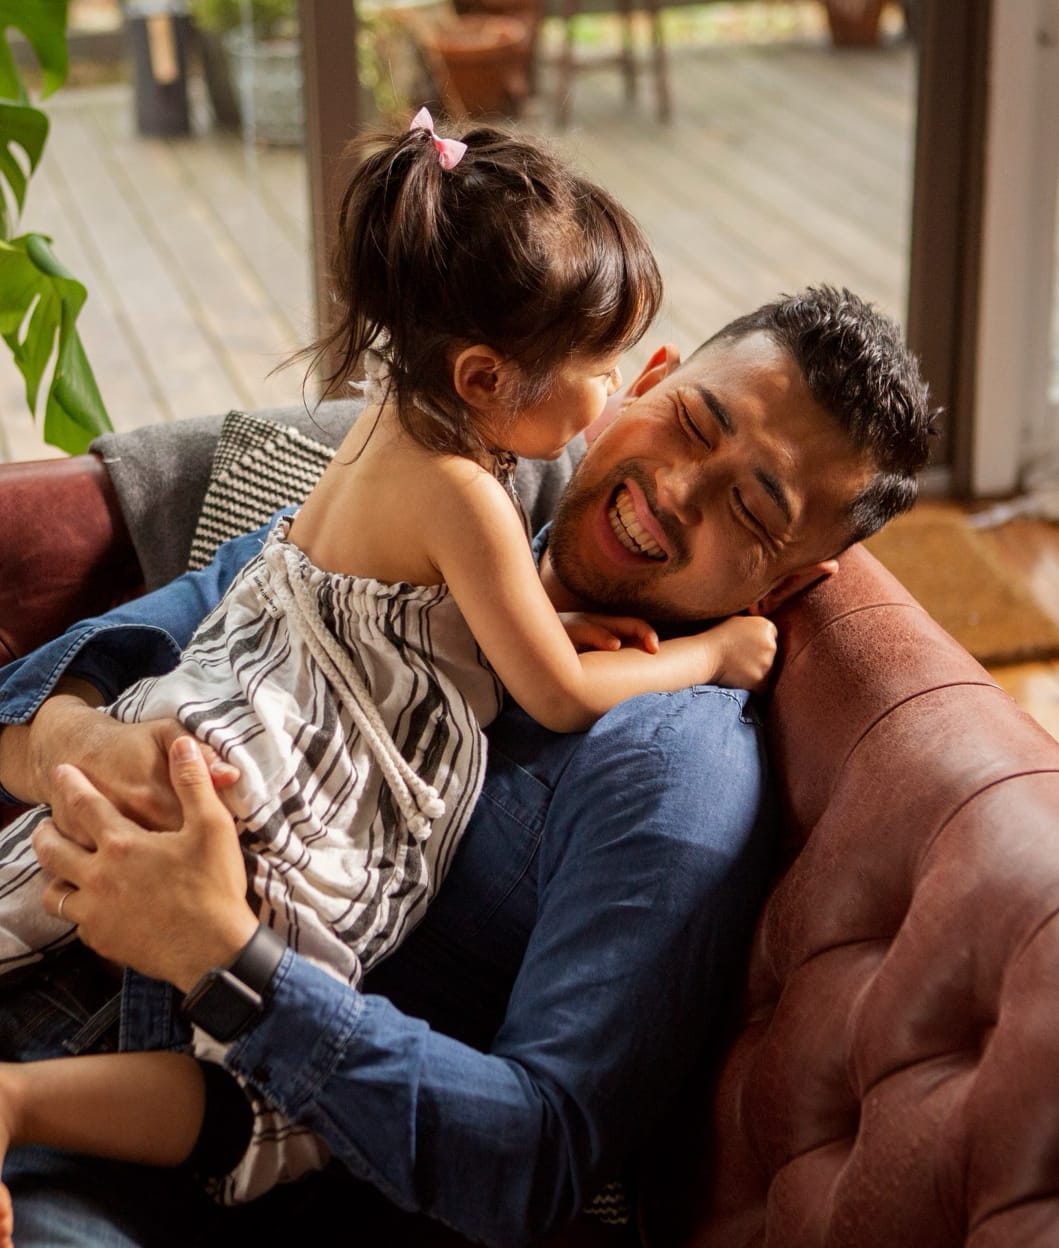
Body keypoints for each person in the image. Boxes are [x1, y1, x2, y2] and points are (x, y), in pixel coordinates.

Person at [0, 285, 934, 1248]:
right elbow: (30, 695)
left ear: (782, 585)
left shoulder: (671, 771)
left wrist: (220, 955)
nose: (676, 492)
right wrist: (86, 748)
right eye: (692, 425)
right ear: (644, 382)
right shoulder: (422, 522)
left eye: (748, 508)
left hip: (143, 1162)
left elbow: (536, 1157)